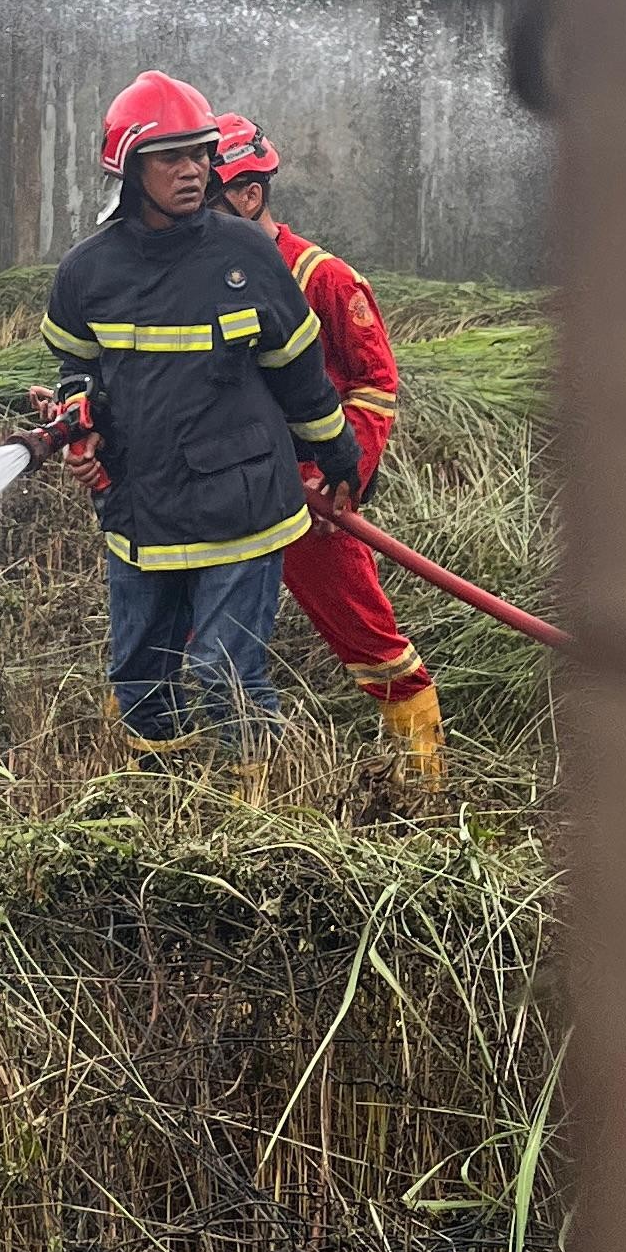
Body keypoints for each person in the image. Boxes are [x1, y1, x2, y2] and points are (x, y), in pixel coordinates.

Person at [44, 72, 360, 753]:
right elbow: (76, 364)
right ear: (129, 167)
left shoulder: (243, 253)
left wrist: (338, 451)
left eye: (200, 156)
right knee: (141, 690)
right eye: (171, 158)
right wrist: (79, 409)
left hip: (241, 500)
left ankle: (266, 809)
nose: (192, 172)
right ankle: (167, 816)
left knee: (223, 674)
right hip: (141, 503)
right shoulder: (87, 273)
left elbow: (298, 369)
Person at [213, 114, 447, 789]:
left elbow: (375, 386)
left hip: (312, 495)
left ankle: (423, 783)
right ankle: (226, 788)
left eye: (207, 200)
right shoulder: (194, 283)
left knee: (368, 640)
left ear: (249, 196)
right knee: (196, 642)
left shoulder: (324, 280)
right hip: (227, 492)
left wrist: (342, 477)